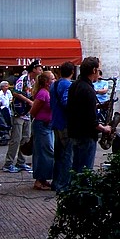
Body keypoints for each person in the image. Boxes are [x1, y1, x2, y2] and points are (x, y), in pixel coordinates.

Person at [66, 57, 112, 173]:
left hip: (74, 132)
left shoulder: (75, 85)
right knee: (84, 171)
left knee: (76, 168)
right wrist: (104, 128)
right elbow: (91, 121)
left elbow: (78, 108)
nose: (99, 74)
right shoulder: (88, 89)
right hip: (85, 135)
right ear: (93, 70)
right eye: (98, 70)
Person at [3, 60, 42, 173]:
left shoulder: (35, 81)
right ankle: (8, 163)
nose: (41, 70)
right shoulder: (23, 78)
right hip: (19, 112)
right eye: (39, 68)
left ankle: (21, 162)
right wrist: (29, 102)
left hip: (27, 113)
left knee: (26, 138)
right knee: (16, 138)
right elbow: (15, 92)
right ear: (34, 69)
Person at [50, 61, 75, 193]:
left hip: (56, 122)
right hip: (65, 124)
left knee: (59, 155)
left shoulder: (54, 85)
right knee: (67, 155)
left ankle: (56, 182)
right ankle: (64, 185)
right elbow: (66, 102)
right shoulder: (68, 85)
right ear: (72, 72)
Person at [29, 71, 55, 191]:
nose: (54, 81)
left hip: (48, 125)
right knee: (44, 152)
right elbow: (33, 111)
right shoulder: (43, 94)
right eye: (52, 79)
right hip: (41, 125)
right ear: (46, 82)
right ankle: (39, 180)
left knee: (47, 151)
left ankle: (43, 178)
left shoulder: (49, 93)